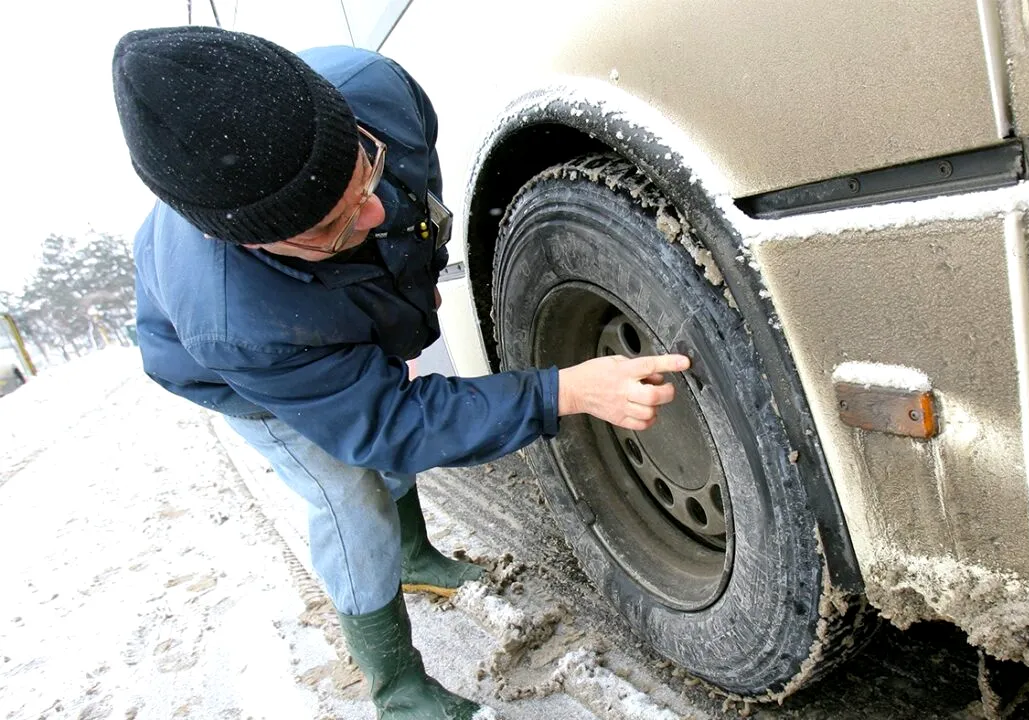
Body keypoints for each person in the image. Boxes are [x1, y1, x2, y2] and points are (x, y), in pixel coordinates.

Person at [111, 26, 689, 719]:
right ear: (251, 241)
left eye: (366, 173)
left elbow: (405, 207)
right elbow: (385, 425)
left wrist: (404, 275)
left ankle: (413, 556)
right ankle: (400, 693)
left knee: (385, 378)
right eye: (332, 226)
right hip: (235, 378)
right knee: (349, 491)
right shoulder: (242, 324)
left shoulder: (374, 88)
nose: (376, 210)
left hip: (308, 311)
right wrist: (563, 390)